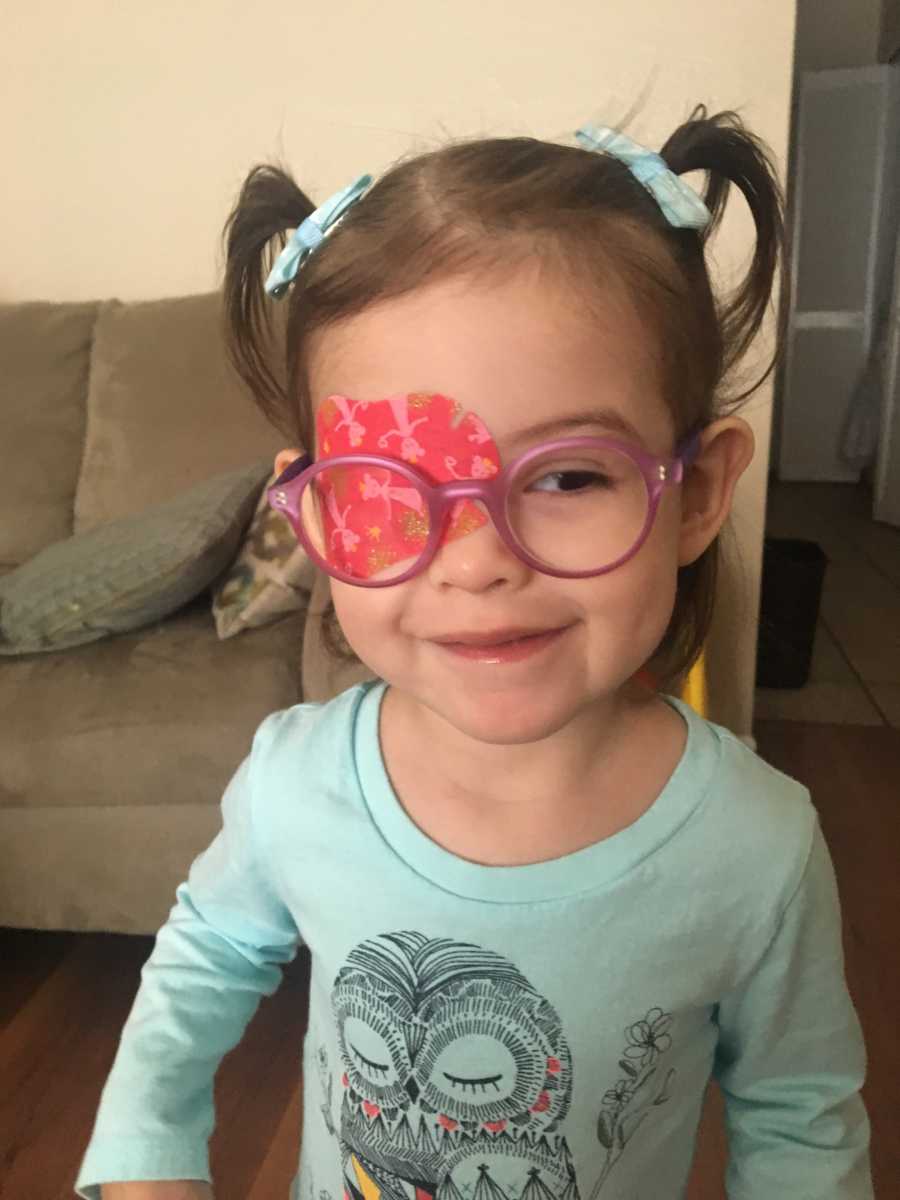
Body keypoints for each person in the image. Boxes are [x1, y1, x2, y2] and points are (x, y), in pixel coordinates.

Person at [76, 108, 873, 1200]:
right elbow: (203, 960)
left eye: (565, 477)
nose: (478, 560)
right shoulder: (294, 784)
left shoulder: (757, 849)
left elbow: (799, 1119)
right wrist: (146, 1157)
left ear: (696, 496)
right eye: (391, 492)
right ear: (317, 520)